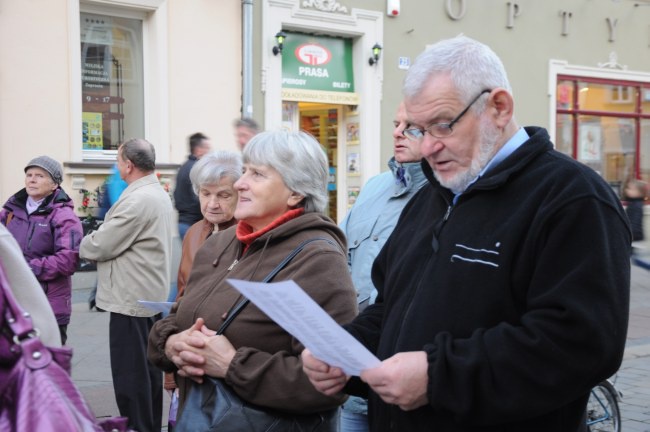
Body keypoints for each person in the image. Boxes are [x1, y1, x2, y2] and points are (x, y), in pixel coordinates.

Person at [302, 35, 631, 432]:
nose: (427, 147)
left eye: (442, 125)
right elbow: (391, 309)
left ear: (499, 107)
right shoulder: (432, 197)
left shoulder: (572, 197)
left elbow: (581, 343)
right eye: (418, 129)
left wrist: (440, 377)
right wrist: (345, 353)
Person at [147, 131, 358, 425]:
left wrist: (232, 365)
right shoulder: (217, 244)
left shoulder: (316, 259)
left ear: (295, 192)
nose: (239, 183)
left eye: (257, 174)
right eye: (244, 170)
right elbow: (178, 314)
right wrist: (171, 344)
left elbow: (330, 382)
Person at [338, 102, 426, 432]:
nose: (397, 132)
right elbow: (340, 254)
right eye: (395, 122)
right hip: (353, 369)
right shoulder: (375, 187)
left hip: (404, 377)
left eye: (411, 125)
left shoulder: (443, 196)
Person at [79, 138, 174, 432]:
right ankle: (146, 425)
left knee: (130, 376)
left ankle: (138, 427)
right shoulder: (155, 191)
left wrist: (83, 243)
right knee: (146, 375)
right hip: (146, 294)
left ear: (128, 165)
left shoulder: (137, 199)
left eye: (118, 160)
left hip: (131, 297)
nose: (117, 165)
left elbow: (100, 245)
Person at [0, 156, 82, 346]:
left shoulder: (64, 216)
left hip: (48, 305)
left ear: (54, 185)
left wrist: (25, 269)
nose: (32, 180)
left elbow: (68, 260)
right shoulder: (10, 212)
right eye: (29, 175)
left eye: (40, 176)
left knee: (49, 363)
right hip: (12, 303)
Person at [175, 150, 242, 301]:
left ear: (241, 194)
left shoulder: (249, 235)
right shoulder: (193, 232)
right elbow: (183, 289)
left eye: (223, 196)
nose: (212, 205)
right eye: (205, 194)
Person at [0, 223, 62, 347]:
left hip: (51, 300)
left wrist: (30, 267)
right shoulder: (10, 211)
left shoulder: (62, 214)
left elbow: (67, 259)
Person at [174, 132, 212, 240]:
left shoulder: (184, 166)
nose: (209, 152)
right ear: (199, 150)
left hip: (182, 223)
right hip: (193, 224)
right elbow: (198, 198)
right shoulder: (196, 170)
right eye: (207, 148)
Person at [623, 178, 646, 243]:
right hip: (633, 237)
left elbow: (635, 223)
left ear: (639, 192)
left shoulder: (636, 205)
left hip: (635, 238)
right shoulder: (633, 203)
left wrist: (629, 235)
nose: (627, 190)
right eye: (627, 188)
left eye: (631, 189)